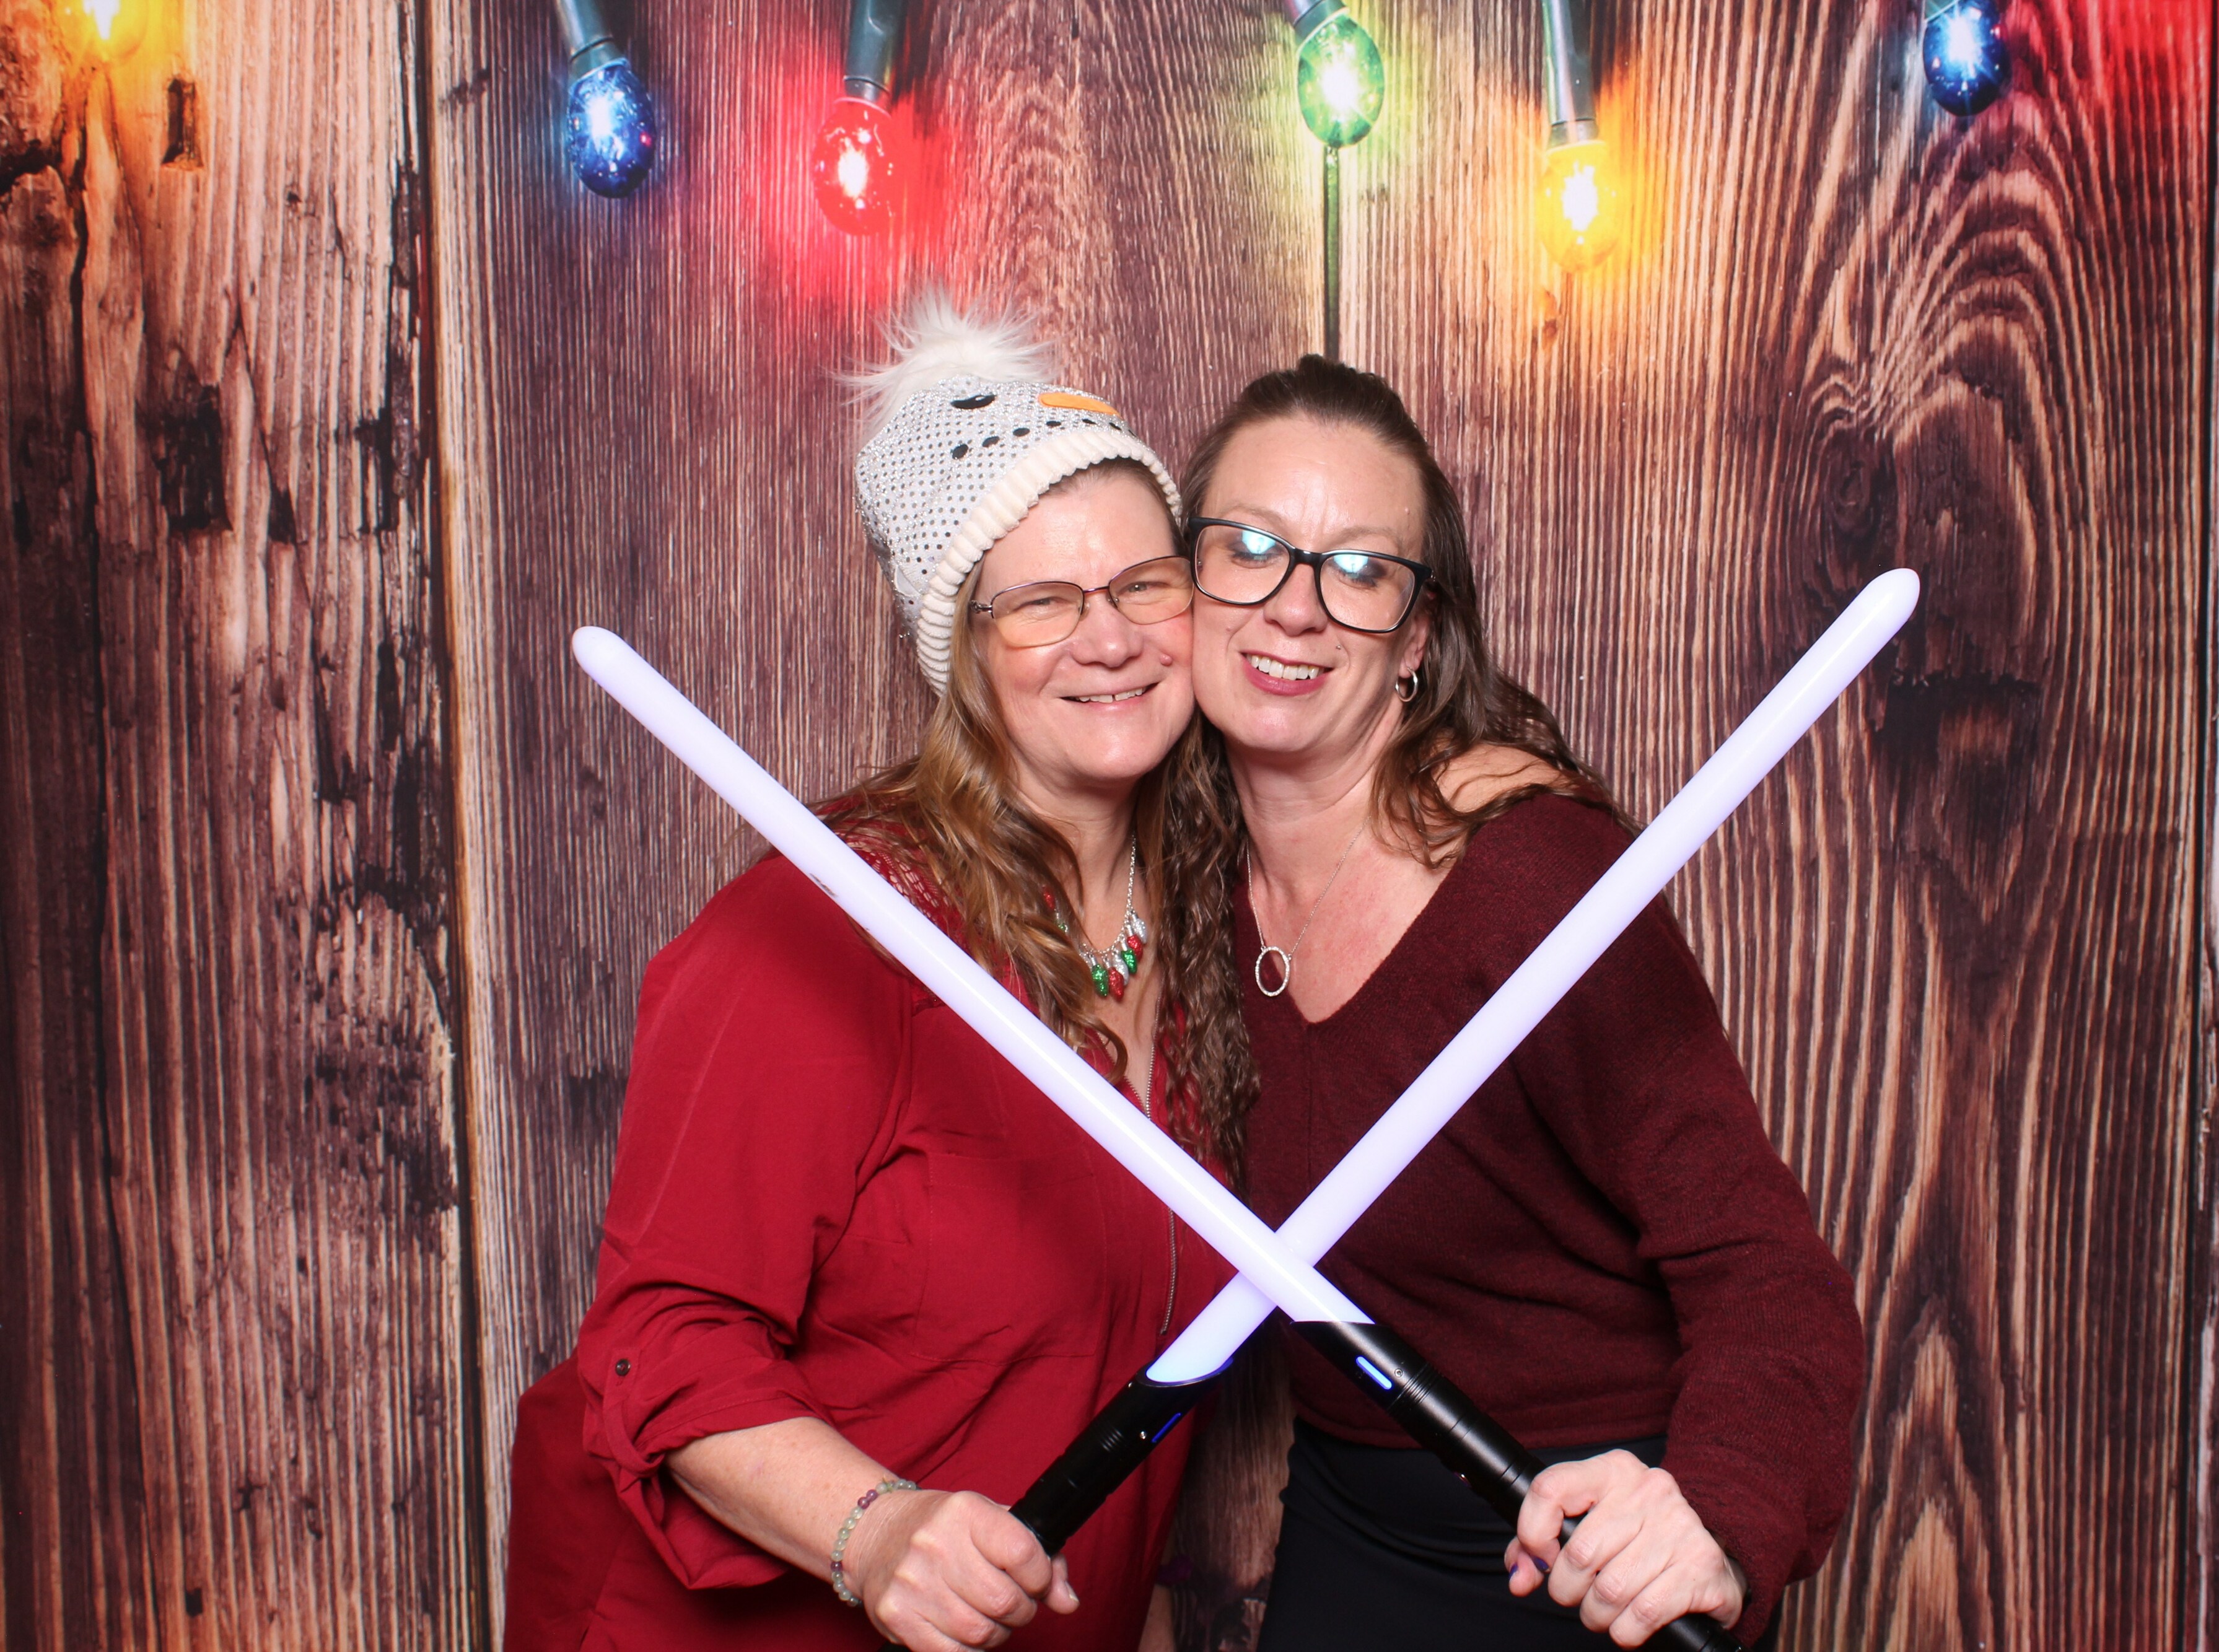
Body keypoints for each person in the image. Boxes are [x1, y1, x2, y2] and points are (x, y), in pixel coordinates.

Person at [502, 300, 1246, 1652]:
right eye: (1043, 602)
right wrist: (878, 1530)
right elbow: (661, 1339)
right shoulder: (824, 932)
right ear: (961, 649)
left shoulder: (1200, 933)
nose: (1111, 637)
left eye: (1147, 583)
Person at [1167, 357, 1867, 1650]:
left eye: (1359, 569)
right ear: (1186, 584)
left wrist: (1716, 1513)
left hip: (1595, 1532)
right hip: (1350, 1519)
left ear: (1416, 639)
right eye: (1249, 546)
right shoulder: (1178, 877)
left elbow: (1763, 1266)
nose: (1294, 607)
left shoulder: (1533, 882)